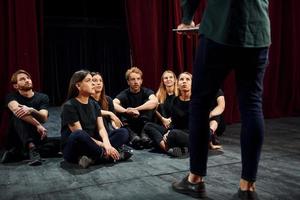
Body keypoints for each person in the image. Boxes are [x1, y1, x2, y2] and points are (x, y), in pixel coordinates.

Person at [172, 0, 271, 199]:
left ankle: (195, 179)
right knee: (252, 105)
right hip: (257, 30)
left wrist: (187, 18)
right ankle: (247, 188)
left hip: (220, 28)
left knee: (200, 103)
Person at [61, 70, 131, 169]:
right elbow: (79, 134)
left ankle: (93, 158)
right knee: (79, 134)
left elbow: (102, 129)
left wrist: (107, 145)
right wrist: (104, 145)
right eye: (89, 80)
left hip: (93, 144)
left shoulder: (94, 104)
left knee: (123, 132)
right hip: (75, 148)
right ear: (78, 85)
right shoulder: (69, 106)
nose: (93, 83)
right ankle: (107, 156)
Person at [2, 69, 59, 166]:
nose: (27, 80)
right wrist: (38, 125)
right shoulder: (11, 97)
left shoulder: (42, 97)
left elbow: (43, 118)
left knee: (60, 143)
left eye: (28, 78)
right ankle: (31, 148)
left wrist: (31, 110)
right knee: (18, 115)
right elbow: (16, 109)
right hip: (17, 136)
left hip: (36, 135)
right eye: (22, 79)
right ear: (16, 85)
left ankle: (19, 153)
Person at [144, 72, 192, 157]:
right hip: (174, 131)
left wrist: (171, 132)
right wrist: (168, 131)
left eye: (187, 79)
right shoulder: (175, 100)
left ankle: (179, 147)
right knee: (148, 126)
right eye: (182, 79)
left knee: (173, 134)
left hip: (189, 134)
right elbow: (174, 122)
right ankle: (168, 149)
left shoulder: (197, 101)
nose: (184, 81)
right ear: (178, 83)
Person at [113, 67, 158, 149]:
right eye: (133, 79)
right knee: (121, 112)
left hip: (144, 123)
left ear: (141, 81)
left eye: (138, 79)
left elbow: (154, 101)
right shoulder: (124, 93)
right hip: (130, 124)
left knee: (149, 106)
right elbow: (113, 103)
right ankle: (134, 137)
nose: (136, 82)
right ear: (128, 82)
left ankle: (144, 134)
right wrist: (127, 111)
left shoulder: (146, 91)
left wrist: (136, 109)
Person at [90, 72, 132, 150]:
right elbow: (93, 111)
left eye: (100, 80)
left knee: (124, 132)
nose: (98, 83)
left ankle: (104, 150)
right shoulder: (87, 100)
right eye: (95, 80)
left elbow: (112, 120)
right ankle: (110, 150)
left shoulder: (108, 100)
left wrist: (115, 126)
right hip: (93, 135)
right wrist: (109, 113)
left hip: (106, 134)